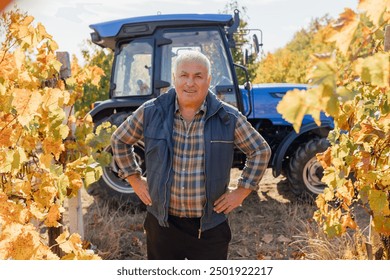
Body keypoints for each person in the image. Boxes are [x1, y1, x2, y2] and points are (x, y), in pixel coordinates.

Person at [111, 50, 271, 260]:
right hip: (162, 224)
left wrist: (242, 191)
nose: (190, 83)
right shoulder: (151, 111)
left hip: (209, 228)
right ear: (175, 79)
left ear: (209, 80)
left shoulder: (227, 117)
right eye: (184, 75)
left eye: (198, 76)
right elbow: (119, 139)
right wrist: (134, 178)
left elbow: (261, 150)